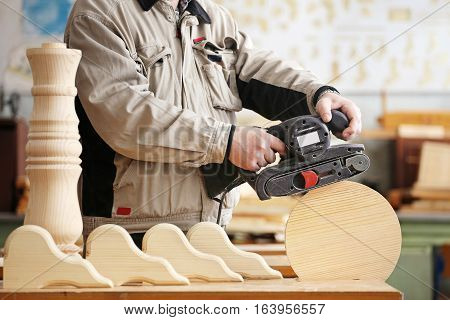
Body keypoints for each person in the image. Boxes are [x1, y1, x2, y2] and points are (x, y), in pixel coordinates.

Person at [64, 0, 362, 244]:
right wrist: (226, 142)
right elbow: (125, 115)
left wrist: (318, 94)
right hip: (127, 232)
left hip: (210, 229)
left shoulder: (213, 18)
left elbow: (255, 67)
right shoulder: (98, 13)